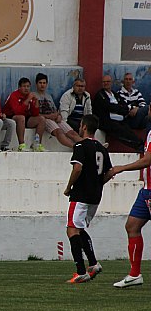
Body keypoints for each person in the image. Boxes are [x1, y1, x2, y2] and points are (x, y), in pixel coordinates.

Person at [62, 115, 113, 283]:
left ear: (83, 127)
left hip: (81, 194)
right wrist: (98, 183)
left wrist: (69, 187)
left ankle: (80, 271)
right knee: (80, 228)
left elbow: (77, 168)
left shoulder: (80, 145)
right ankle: (93, 264)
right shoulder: (101, 148)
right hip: (95, 196)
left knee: (72, 229)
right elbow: (110, 172)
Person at [106, 108, 151, 287]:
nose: (148, 109)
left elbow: (148, 160)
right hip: (147, 190)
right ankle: (134, 274)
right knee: (132, 226)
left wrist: (121, 168)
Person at [93, 74, 143, 151]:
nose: (106, 83)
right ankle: (138, 145)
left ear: (111, 82)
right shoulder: (100, 95)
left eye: (108, 81)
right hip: (108, 122)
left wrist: (126, 108)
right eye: (104, 82)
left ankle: (141, 144)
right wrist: (121, 108)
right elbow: (110, 107)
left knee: (128, 130)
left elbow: (124, 105)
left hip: (121, 120)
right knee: (120, 131)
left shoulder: (114, 94)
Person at [34, 73, 82, 148]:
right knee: (59, 131)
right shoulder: (33, 95)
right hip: (44, 119)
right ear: (36, 84)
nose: (42, 85)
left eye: (44, 83)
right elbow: (34, 114)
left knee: (71, 133)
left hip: (55, 118)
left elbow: (55, 110)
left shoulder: (49, 96)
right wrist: (49, 116)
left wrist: (58, 116)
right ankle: (75, 147)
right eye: (40, 83)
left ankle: (89, 144)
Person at [3, 77, 46, 151]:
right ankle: (21, 145)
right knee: (21, 118)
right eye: (24, 86)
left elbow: (35, 114)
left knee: (41, 119)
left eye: (28, 86)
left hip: (26, 118)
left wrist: (36, 103)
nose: (26, 88)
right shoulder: (14, 95)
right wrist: (28, 100)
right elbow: (17, 111)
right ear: (19, 87)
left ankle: (37, 144)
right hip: (11, 117)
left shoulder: (30, 95)